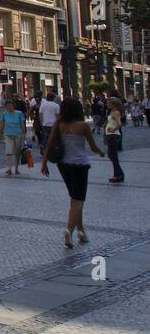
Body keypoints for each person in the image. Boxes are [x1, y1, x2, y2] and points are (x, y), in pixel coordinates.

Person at [40, 97, 105, 249]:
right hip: (80, 165)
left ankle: (81, 231)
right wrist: (101, 152)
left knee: (74, 199)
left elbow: (49, 143)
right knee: (78, 200)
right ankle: (69, 230)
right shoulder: (83, 126)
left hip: (63, 165)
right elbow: (93, 146)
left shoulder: (59, 124)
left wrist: (44, 163)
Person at [0, 99, 26, 176]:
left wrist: (24, 134)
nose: (9, 107)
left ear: (13, 106)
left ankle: (16, 168)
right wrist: (0, 132)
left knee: (17, 152)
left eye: (11, 105)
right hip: (8, 134)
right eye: (7, 106)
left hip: (18, 134)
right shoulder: (4, 114)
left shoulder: (19, 113)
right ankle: (9, 168)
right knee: (8, 151)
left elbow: (22, 124)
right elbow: (2, 123)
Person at [105, 97, 125, 184]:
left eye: (108, 102)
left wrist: (113, 130)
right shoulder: (112, 112)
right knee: (111, 155)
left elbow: (119, 124)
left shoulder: (116, 112)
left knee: (113, 155)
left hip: (113, 136)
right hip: (110, 136)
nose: (107, 104)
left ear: (113, 104)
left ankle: (118, 175)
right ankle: (119, 173)